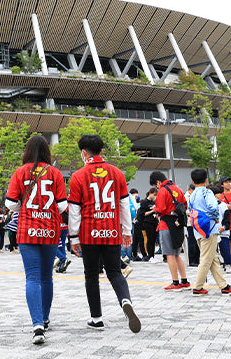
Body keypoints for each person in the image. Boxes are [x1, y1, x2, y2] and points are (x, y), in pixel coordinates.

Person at [68, 134, 141, 333]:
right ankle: (125, 301)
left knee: (91, 275)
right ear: (101, 151)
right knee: (115, 272)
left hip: (89, 232)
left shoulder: (78, 176)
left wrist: (73, 237)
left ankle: (96, 318)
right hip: (111, 230)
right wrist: (126, 230)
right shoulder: (117, 173)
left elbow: (74, 210)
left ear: (84, 153)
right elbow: (124, 204)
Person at [5, 135, 67, 345]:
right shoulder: (55, 173)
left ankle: (37, 324)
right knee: (46, 277)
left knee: (32, 277)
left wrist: (25, 205)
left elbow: (10, 203)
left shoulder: (20, 172)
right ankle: (46, 318)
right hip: (49, 229)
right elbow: (61, 206)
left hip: (27, 229)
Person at [187, 169, 231, 296]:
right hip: (209, 229)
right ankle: (197, 287)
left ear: (192, 181)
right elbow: (213, 207)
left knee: (213, 258)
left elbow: (190, 210)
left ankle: (223, 286)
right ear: (206, 180)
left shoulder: (191, 195)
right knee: (206, 259)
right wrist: (214, 217)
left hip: (198, 229)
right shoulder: (207, 192)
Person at [149, 171, 189, 291]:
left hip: (166, 225)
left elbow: (161, 209)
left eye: (155, 185)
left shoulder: (162, 190)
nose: (156, 188)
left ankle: (175, 283)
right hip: (178, 224)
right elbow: (184, 205)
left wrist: (155, 208)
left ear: (158, 182)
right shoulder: (177, 188)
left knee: (170, 255)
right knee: (177, 254)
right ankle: (184, 281)